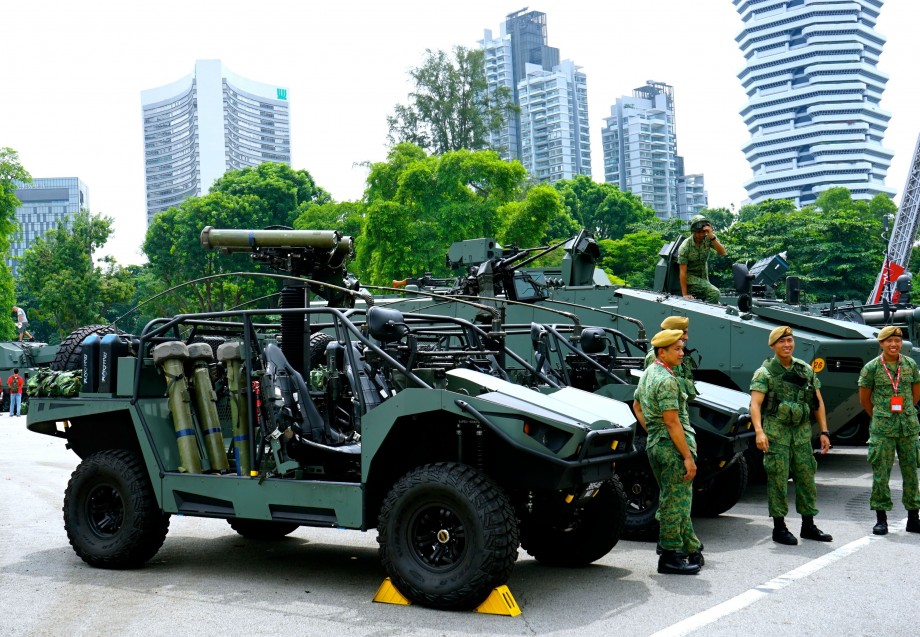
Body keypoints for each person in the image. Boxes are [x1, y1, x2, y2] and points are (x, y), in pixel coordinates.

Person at [749, 326, 832, 545]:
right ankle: (779, 528)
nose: (787, 345)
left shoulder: (805, 370)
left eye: (789, 340)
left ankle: (808, 525)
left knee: (806, 479)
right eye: (781, 341)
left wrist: (824, 431)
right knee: (778, 480)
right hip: (777, 434)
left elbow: (817, 402)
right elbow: (755, 405)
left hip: (802, 434)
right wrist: (759, 431)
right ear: (773, 346)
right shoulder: (765, 373)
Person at [634, 328, 703, 575]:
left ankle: (690, 547)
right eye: (677, 349)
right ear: (662, 352)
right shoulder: (666, 380)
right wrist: (687, 457)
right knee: (674, 503)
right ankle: (670, 556)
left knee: (675, 498)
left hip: (657, 444)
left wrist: (653, 431)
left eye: (681, 348)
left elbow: (637, 406)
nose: (682, 353)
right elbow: (673, 423)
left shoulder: (648, 373)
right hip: (672, 448)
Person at [857, 325, 920, 535]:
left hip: (908, 428)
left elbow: (916, 394)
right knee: (881, 475)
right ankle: (881, 519)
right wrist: (880, 416)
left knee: (911, 473)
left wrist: (905, 412)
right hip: (882, 430)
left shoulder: (910, 365)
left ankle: (914, 518)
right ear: (882, 343)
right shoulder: (872, 368)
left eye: (897, 341)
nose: (894, 344)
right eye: (889, 341)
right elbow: (865, 400)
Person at [643, 316, 698, 401]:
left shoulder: (673, 354)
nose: (686, 337)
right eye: (683, 333)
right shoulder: (656, 356)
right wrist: (688, 385)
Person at [677, 215, 726, 304]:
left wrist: (712, 236)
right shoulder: (685, 246)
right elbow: (682, 272)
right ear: (693, 232)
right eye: (698, 232)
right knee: (714, 293)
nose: (701, 235)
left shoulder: (709, 238)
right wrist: (685, 294)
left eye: (704, 232)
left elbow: (723, 252)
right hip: (690, 279)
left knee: (716, 302)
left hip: (703, 277)